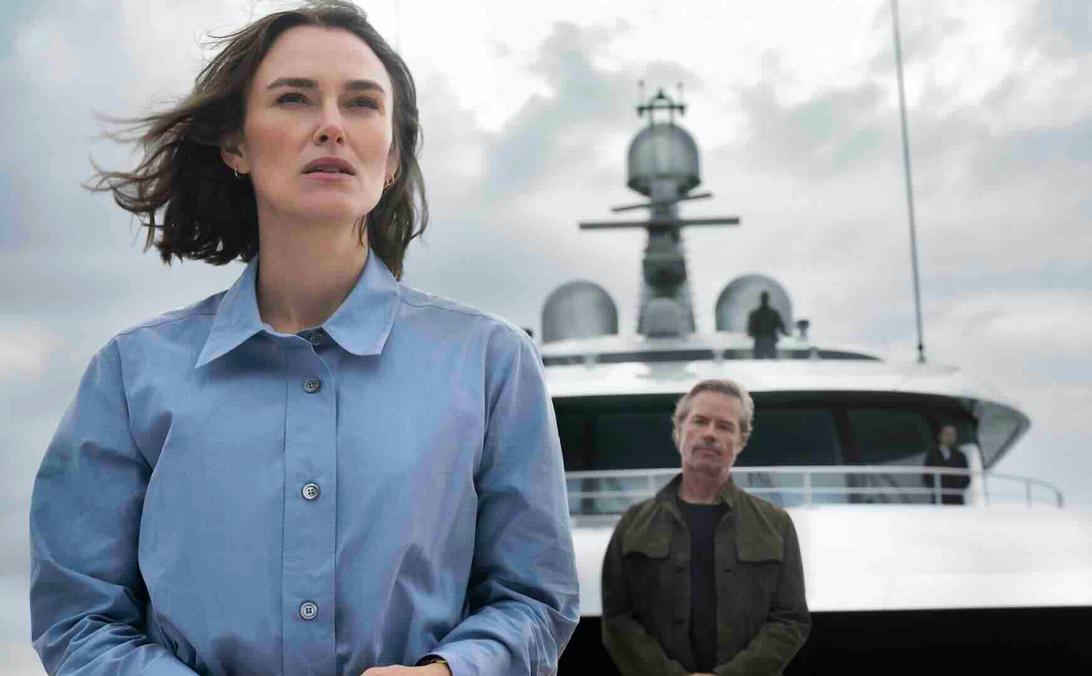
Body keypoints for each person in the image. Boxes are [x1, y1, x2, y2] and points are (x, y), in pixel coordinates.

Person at [29, 3, 579, 675]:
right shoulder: (129, 373)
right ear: (235, 145)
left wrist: (448, 673)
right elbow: (78, 618)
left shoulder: (492, 363)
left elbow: (534, 599)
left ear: (393, 156)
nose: (331, 126)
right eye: (294, 98)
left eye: (362, 103)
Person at [600, 379, 811, 676]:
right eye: (700, 421)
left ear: (741, 440)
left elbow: (790, 619)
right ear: (679, 430)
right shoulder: (633, 523)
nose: (710, 433)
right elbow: (617, 620)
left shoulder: (777, 524)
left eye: (724, 426)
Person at [921, 424, 970, 505]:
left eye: (952, 434)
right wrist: (936, 489)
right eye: (947, 434)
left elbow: (967, 478)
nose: (950, 437)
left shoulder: (961, 456)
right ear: (940, 436)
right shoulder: (932, 455)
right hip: (938, 499)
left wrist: (956, 489)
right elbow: (926, 476)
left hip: (957, 500)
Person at [746, 292, 787, 359]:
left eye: (765, 298)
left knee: (767, 361)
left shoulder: (756, 313)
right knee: (761, 361)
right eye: (763, 298)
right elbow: (781, 325)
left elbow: (780, 325)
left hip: (765, 340)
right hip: (763, 340)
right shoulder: (772, 313)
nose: (764, 300)